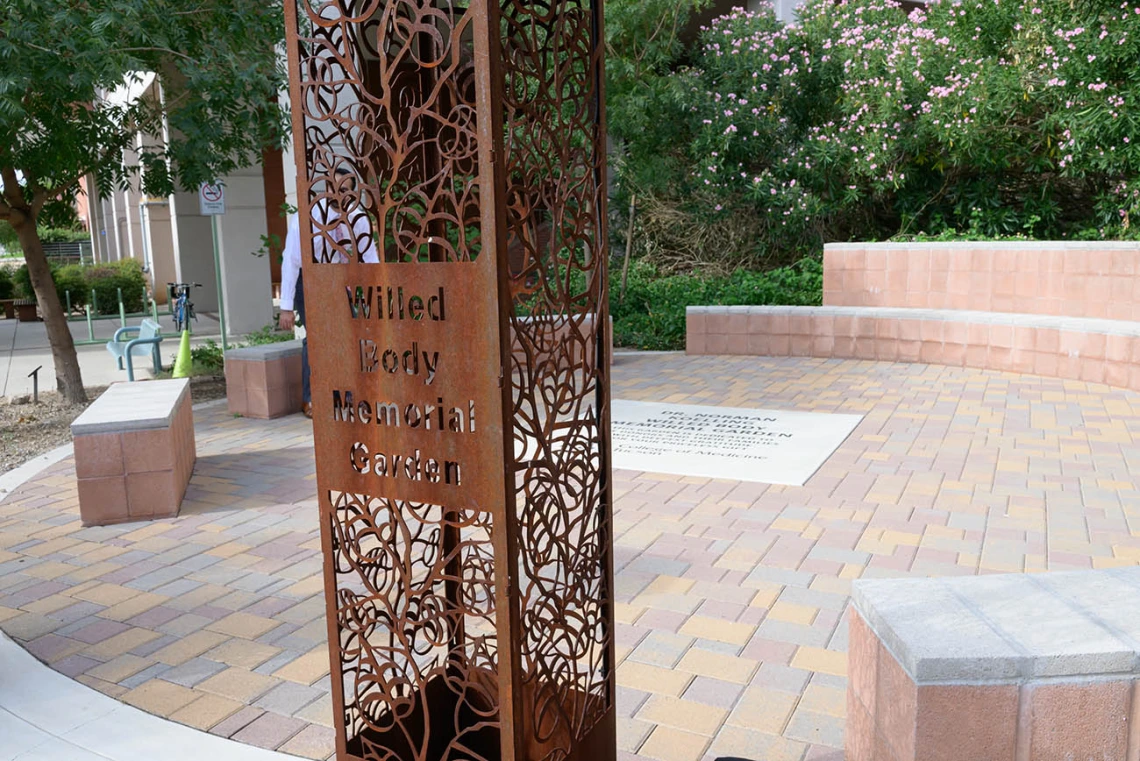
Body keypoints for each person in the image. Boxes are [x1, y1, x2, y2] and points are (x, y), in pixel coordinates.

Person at [279, 197, 378, 418]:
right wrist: (286, 306)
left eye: (348, 189)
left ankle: (348, 395)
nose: (343, 193)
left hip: (341, 282)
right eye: (339, 188)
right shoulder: (307, 217)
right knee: (316, 339)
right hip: (309, 282)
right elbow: (292, 260)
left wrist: (375, 289)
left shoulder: (357, 217)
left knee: (347, 337)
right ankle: (311, 398)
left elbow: (368, 254)